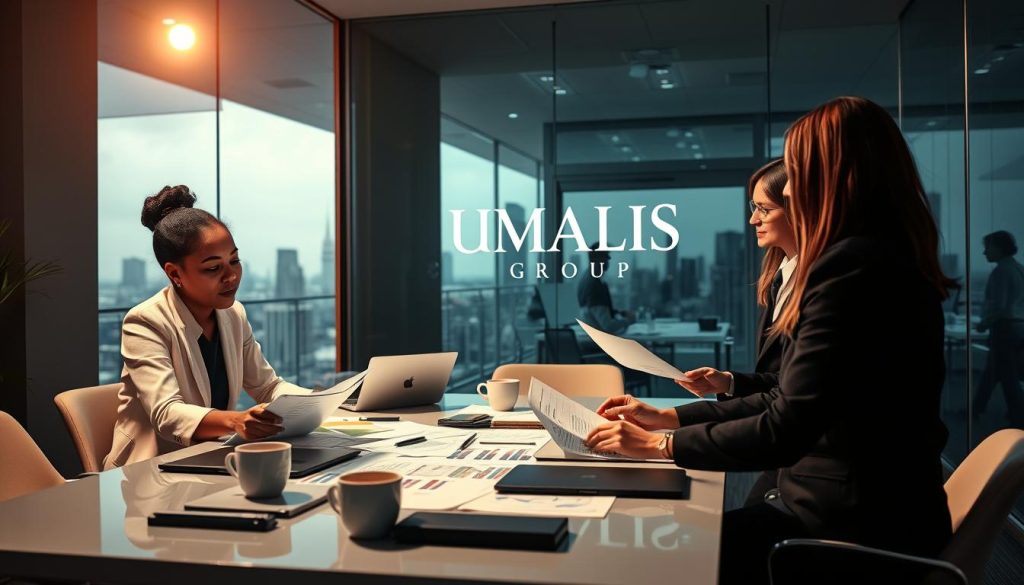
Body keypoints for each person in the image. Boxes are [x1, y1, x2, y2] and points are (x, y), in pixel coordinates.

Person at [585, 96, 954, 585]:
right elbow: (790, 394)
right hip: (873, 509)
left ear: (831, 175)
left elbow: (787, 425)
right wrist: (669, 419)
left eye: (800, 165)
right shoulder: (885, 258)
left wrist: (660, 443)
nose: (791, 178)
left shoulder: (851, 267)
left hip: (844, 526)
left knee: (647, 552)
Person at [104, 185, 307, 469]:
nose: (232, 276)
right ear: (175, 274)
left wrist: (323, 404)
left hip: (213, 460)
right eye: (213, 268)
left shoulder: (233, 314)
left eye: (234, 261)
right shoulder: (145, 322)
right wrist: (236, 420)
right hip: (151, 472)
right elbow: (167, 413)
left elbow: (268, 386)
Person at [677, 158, 796, 507]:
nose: (752, 219)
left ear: (799, 210)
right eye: (753, 207)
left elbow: (788, 401)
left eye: (764, 208)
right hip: (788, 465)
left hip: (805, 476)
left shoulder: (820, 285)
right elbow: (780, 380)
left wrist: (667, 436)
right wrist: (728, 382)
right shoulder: (781, 279)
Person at [973, 230, 1024, 427]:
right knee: (995, 371)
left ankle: (1018, 415)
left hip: (1005, 328)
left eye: (988, 247)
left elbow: (1001, 307)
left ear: (999, 248)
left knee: (1006, 374)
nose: (985, 252)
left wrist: (984, 323)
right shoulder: (1019, 268)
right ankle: (977, 407)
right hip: (1018, 327)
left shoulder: (1001, 271)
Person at [577, 246, 635, 334]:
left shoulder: (585, 279)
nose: (607, 262)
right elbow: (608, 326)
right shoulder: (595, 286)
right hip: (599, 344)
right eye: (606, 259)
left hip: (591, 339)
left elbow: (596, 312)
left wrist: (620, 313)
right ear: (598, 260)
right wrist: (628, 321)